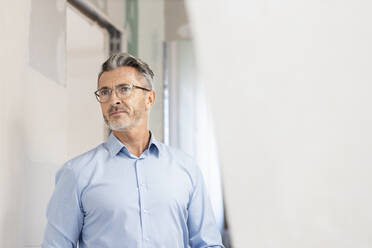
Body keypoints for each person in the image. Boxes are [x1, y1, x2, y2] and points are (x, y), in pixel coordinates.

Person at [42, 53, 224, 248]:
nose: (113, 100)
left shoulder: (186, 168)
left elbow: (208, 244)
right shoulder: (77, 173)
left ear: (150, 99)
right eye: (105, 92)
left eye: (124, 89)